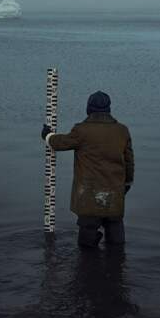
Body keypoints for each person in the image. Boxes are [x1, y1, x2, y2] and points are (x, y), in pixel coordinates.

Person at [41, 91, 134, 247]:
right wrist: (127, 184)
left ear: (88, 109)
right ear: (108, 109)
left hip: (88, 198)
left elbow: (60, 143)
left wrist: (48, 136)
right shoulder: (122, 131)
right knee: (117, 244)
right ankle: (116, 267)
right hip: (114, 196)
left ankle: (89, 266)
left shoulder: (81, 130)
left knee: (86, 247)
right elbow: (129, 162)